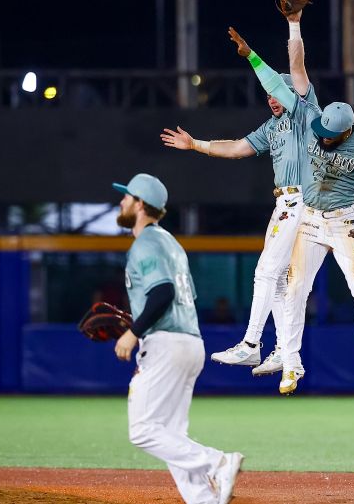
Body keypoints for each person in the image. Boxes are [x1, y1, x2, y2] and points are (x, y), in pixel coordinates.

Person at [228, 22, 354, 395]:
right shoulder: (311, 117)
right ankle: (290, 364)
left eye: (327, 135)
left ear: (346, 133)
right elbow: (285, 79)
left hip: (344, 222)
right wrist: (253, 56)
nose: (319, 135)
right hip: (308, 219)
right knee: (293, 291)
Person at [160, 11, 317, 377]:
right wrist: (195, 144)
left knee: (265, 273)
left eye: (278, 92)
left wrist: (292, 25)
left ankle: (250, 345)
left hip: (302, 203)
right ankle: (284, 353)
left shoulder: (304, 110)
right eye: (269, 95)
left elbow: (297, 63)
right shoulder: (271, 127)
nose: (273, 98)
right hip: (287, 204)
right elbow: (235, 148)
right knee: (277, 279)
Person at [111, 173, 243, 504]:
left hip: (166, 344)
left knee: (142, 430)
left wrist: (133, 331)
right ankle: (204, 499)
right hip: (190, 342)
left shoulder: (146, 243)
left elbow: (163, 293)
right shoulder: (171, 243)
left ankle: (219, 462)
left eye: (127, 197)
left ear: (140, 205)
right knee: (171, 434)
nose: (122, 201)